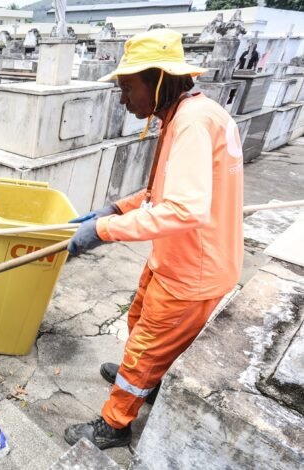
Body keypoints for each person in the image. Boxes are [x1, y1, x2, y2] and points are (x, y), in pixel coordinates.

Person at [63, 29, 244, 449]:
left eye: (127, 88)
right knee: (137, 321)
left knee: (145, 348)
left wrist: (103, 232)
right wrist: (115, 209)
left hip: (192, 270)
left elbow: (185, 210)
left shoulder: (193, 125)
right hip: (180, 255)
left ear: (158, 79)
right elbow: (163, 194)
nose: (124, 99)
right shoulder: (190, 113)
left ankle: (115, 423)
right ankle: (146, 379)